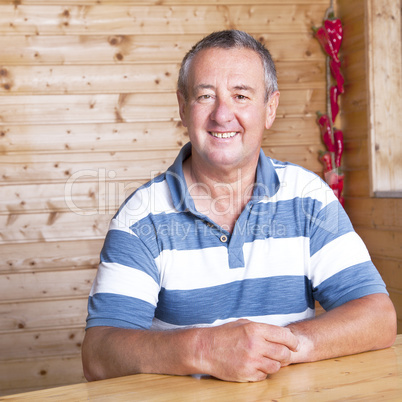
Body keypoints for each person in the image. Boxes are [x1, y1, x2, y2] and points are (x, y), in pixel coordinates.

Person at [82, 30, 396, 383]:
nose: (222, 114)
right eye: (205, 96)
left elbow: (378, 317)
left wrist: (278, 347)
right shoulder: (140, 217)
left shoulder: (309, 197)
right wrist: (203, 349)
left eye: (241, 95)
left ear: (270, 109)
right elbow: (98, 354)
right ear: (183, 108)